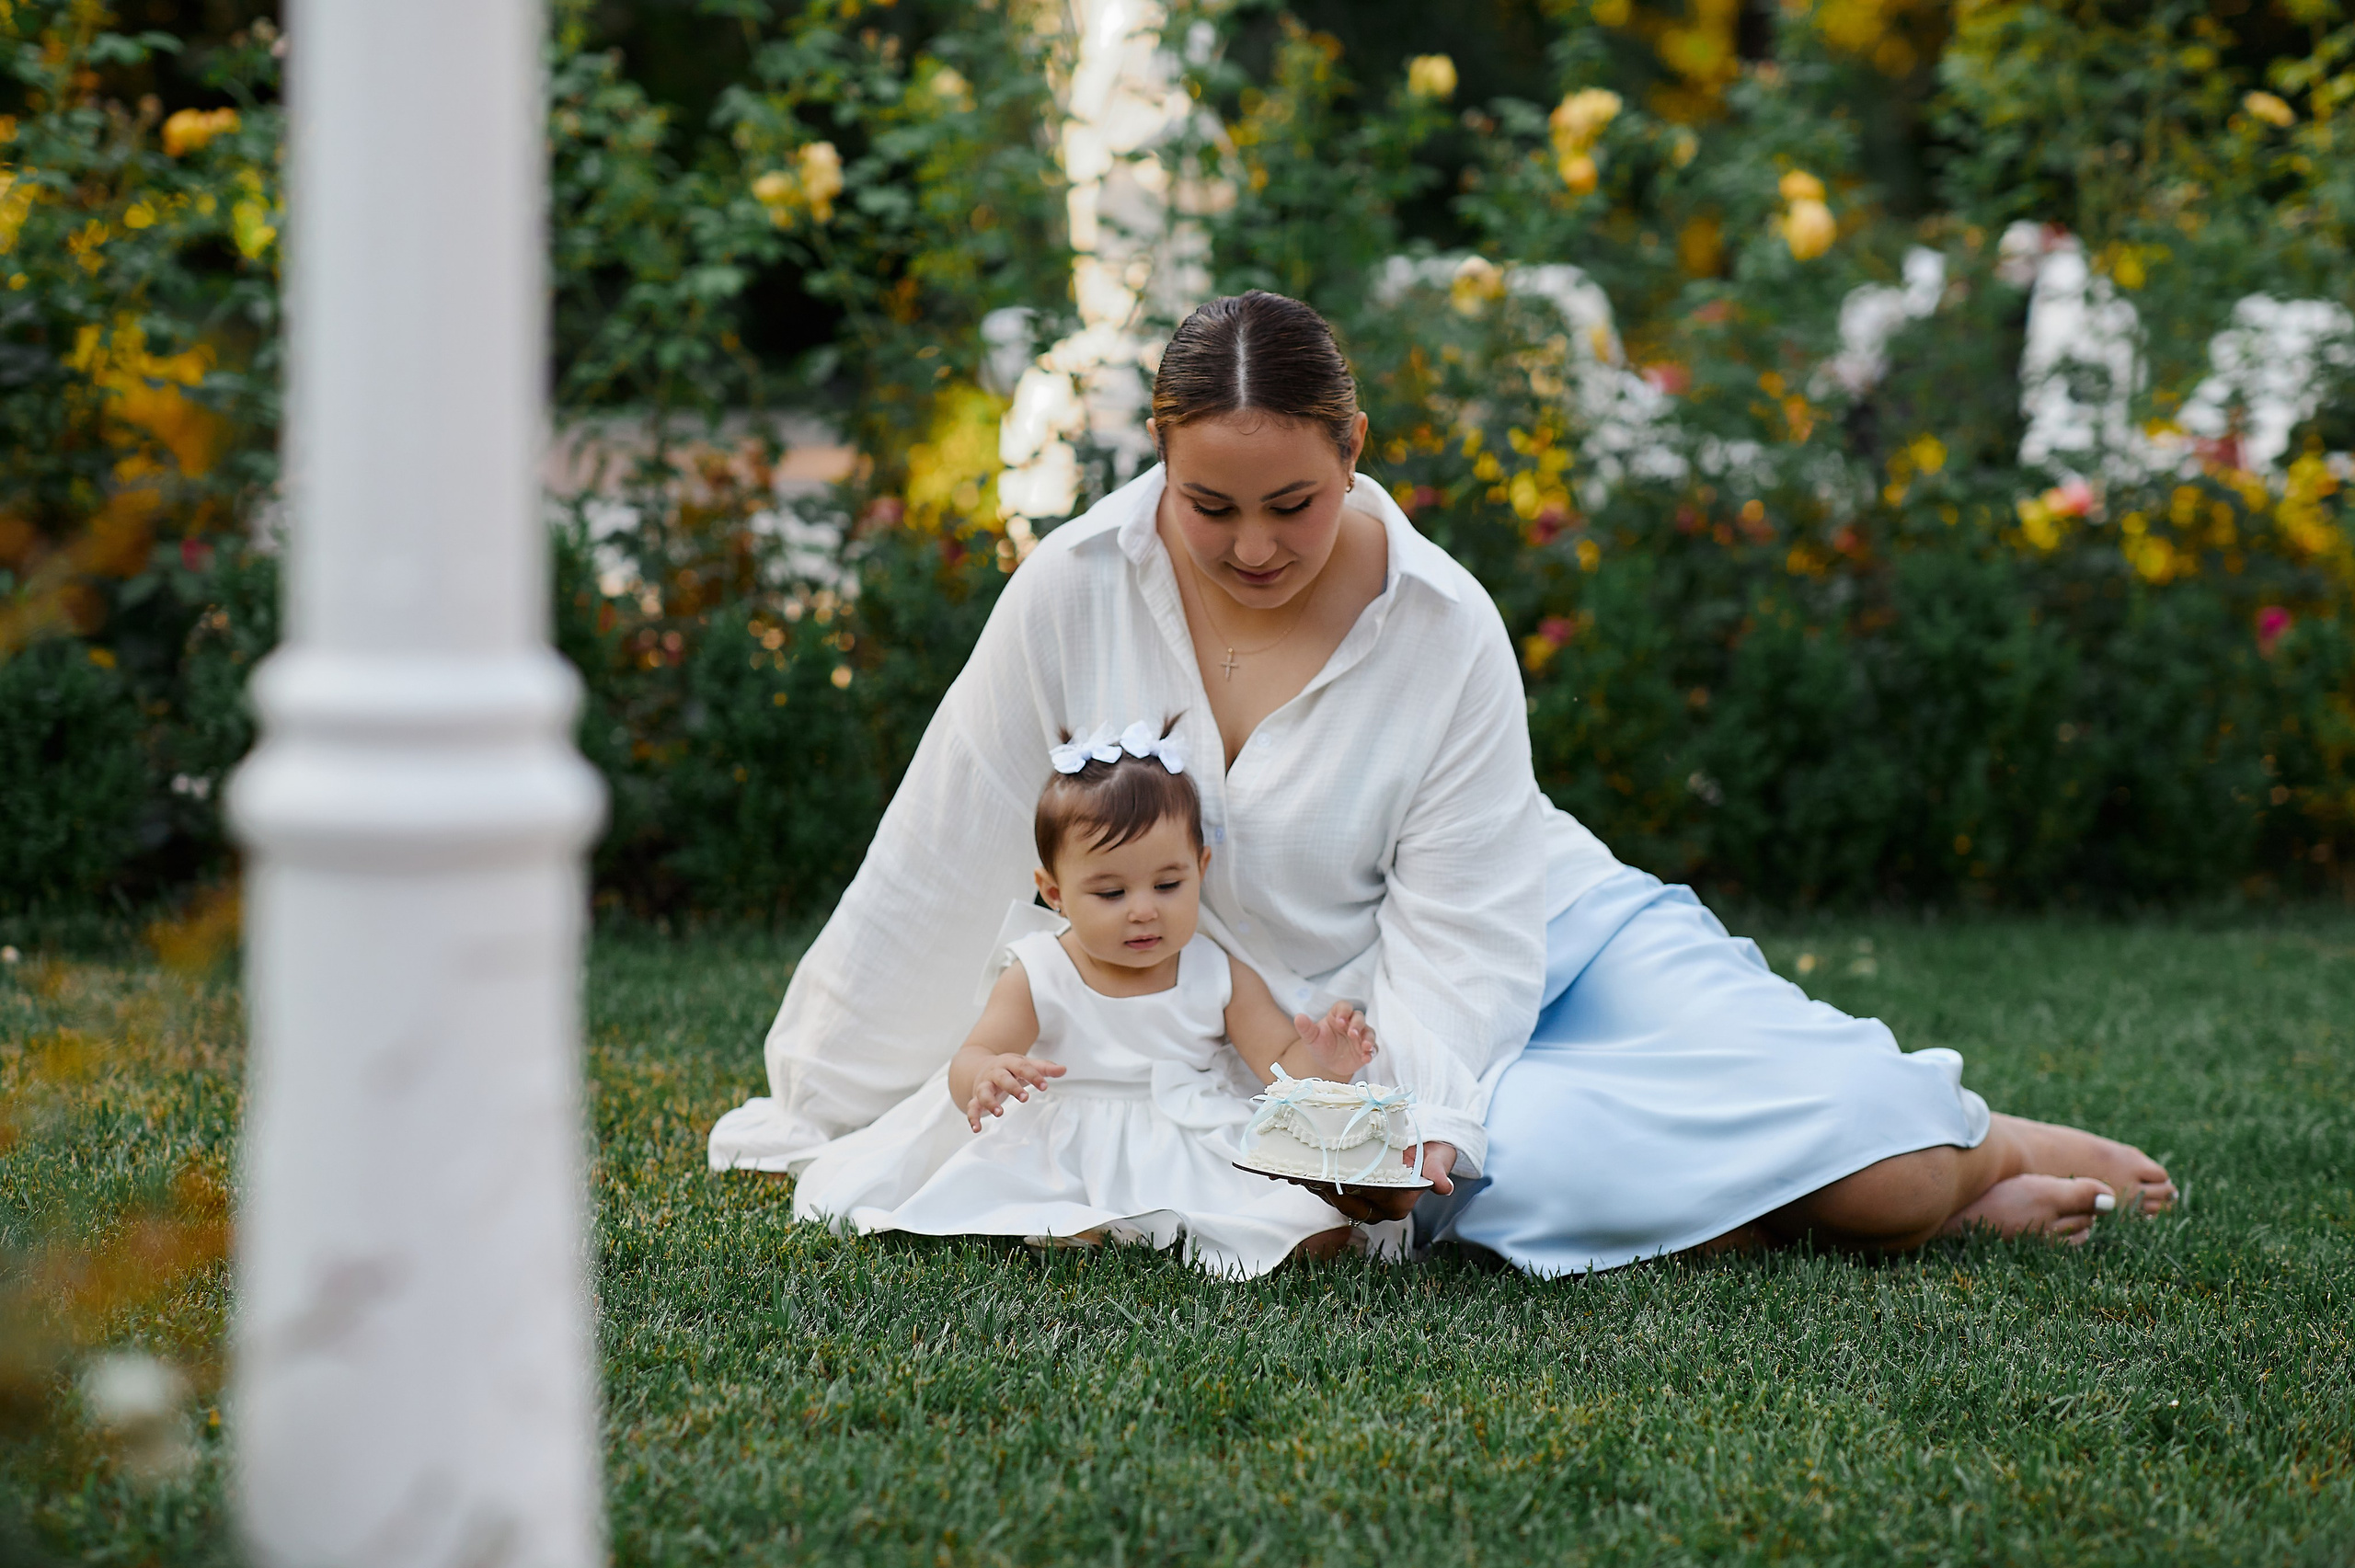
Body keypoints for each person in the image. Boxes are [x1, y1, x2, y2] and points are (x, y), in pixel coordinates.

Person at [709, 289, 2177, 1274]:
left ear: (1353, 448)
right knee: (1624, 1175)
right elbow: (953, 833)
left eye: (1292, 502)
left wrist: (1402, 1119)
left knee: (1869, 1141)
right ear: (1156, 455)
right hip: (1293, 1035)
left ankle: (1985, 1144)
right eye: (1208, 505)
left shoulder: (1447, 621)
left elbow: (1469, 939)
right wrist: (836, 1091)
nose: (1254, 547)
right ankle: (1924, 1175)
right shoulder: (1072, 588)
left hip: (1544, 941)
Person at [785, 718, 1382, 1277]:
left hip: (1182, 1131)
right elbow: (974, 1054)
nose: (1144, 908)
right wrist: (988, 1074)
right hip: (1063, 1131)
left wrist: (1325, 1064)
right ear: (1055, 892)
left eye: (1168, 884)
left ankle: (1138, 1227)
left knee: (1296, 1213)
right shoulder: (1039, 969)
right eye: (1110, 890)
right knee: (1015, 1189)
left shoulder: (1216, 969)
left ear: (1201, 867)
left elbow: (1276, 1056)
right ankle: (1079, 1223)